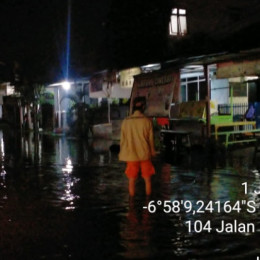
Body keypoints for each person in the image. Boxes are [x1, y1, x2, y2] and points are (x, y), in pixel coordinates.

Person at [119, 96, 156, 197]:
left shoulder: (126, 122)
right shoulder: (147, 121)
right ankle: (148, 204)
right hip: (145, 154)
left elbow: (122, 140)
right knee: (147, 180)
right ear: (143, 107)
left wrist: (123, 152)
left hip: (131, 155)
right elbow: (151, 140)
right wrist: (153, 152)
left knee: (131, 181)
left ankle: (132, 205)